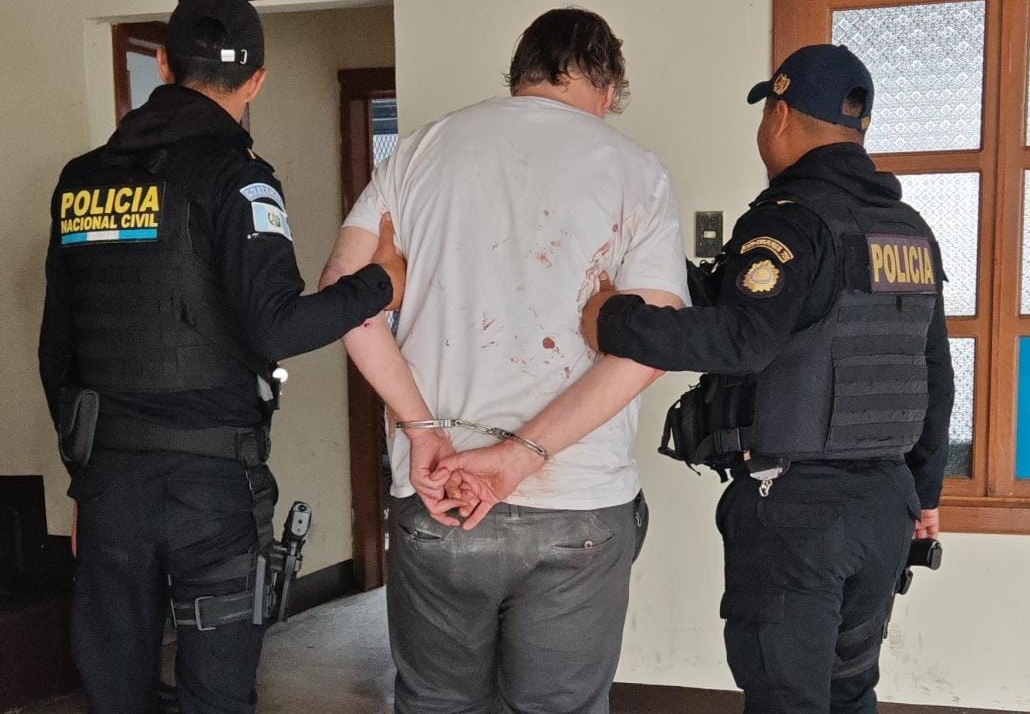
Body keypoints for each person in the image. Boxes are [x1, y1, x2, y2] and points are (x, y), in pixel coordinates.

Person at [319, 8, 688, 713]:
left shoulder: (420, 151)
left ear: (519, 75)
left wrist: (421, 427)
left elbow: (343, 299)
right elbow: (653, 345)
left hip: (438, 491)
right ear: (609, 88)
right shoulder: (636, 171)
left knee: (436, 702)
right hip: (578, 498)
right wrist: (522, 457)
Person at [38, 1, 403, 712]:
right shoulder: (238, 177)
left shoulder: (81, 179)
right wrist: (381, 283)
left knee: (116, 690)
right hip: (210, 486)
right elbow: (276, 327)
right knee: (217, 694)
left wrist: (88, 466)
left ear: (165, 63)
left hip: (110, 478)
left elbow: (58, 348)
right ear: (257, 79)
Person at [582, 44, 954, 713]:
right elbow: (935, 374)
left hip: (799, 514)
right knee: (849, 692)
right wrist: (924, 495)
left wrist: (613, 320)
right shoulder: (908, 231)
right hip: (886, 506)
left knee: (787, 699)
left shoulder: (792, 219)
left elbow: (742, 340)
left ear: (779, 114)